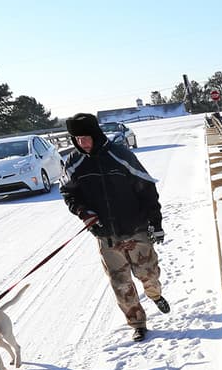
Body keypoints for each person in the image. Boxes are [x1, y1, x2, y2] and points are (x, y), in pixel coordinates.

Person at [60, 112, 169, 342]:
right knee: (121, 284)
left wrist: (156, 223)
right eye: (77, 139)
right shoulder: (73, 163)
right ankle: (137, 323)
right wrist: (83, 213)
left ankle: (154, 294)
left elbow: (147, 188)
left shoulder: (120, 155)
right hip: (105, 235)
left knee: (148, 274)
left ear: (96, 135)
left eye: (86, 138)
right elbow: (69, 194)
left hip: (136, 229)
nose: (82, 143)